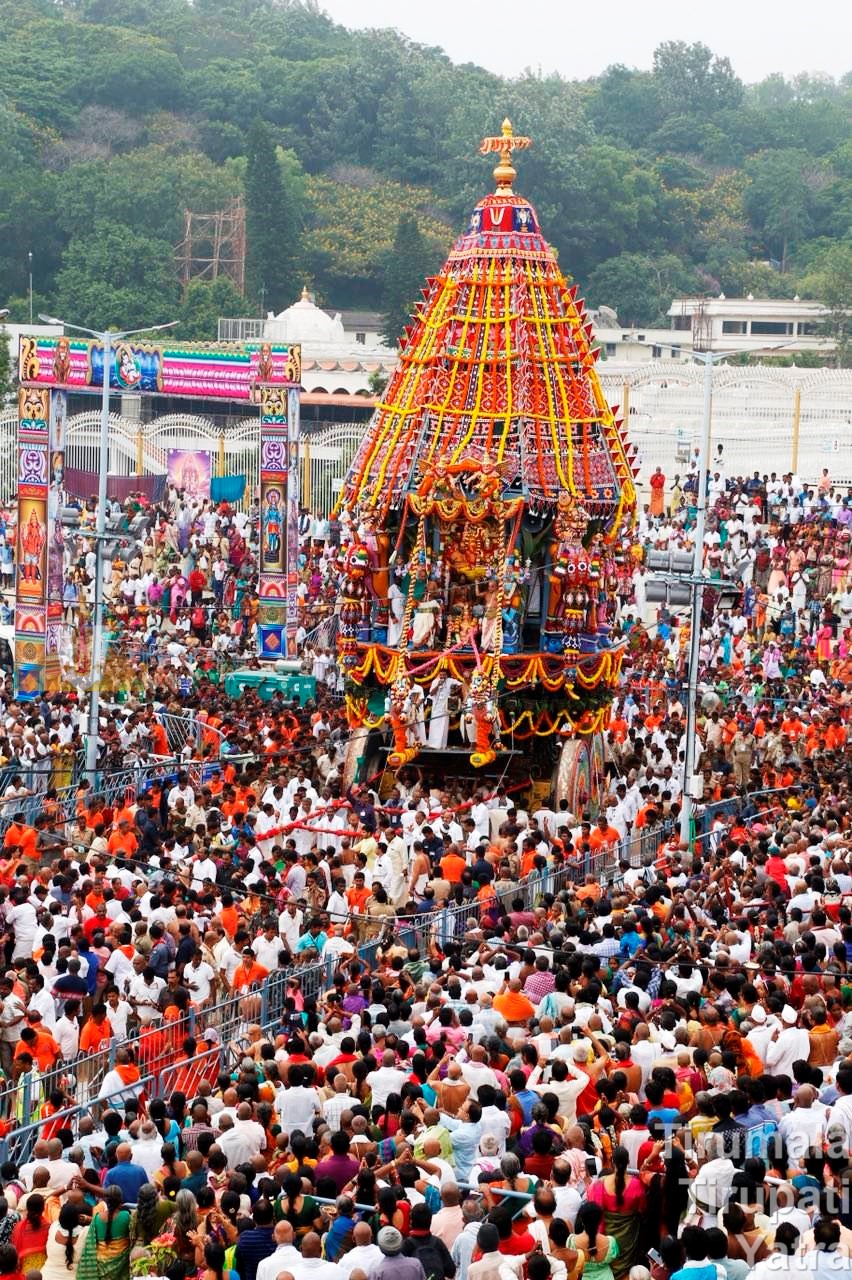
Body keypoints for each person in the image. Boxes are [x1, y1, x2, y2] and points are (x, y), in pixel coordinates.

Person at [42, 1204, 88, 1280]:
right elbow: (99, 1222)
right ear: (77, 1219)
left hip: (47, 1276)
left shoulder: (54, 1227)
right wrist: (87, 1218)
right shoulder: (86, 1232)